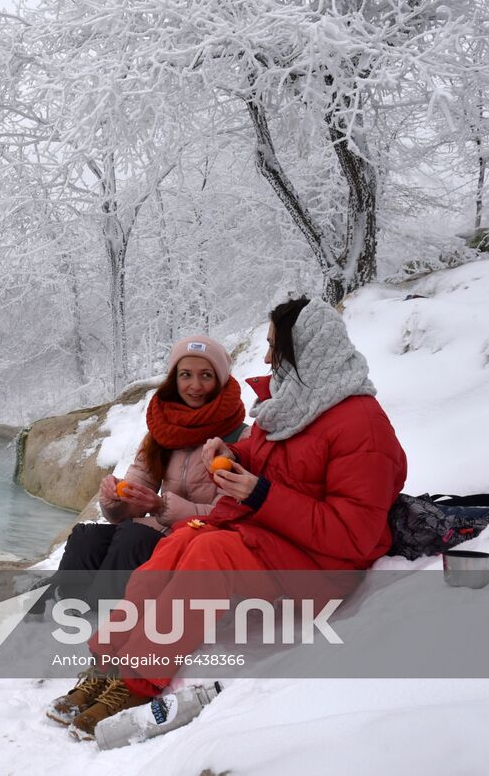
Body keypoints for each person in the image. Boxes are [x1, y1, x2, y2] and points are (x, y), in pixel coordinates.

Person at [65, 297, 408, 742]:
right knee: (179, 540)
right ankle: (103, 663)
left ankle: (136, 682)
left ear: (305, 349)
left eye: (274, 347)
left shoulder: (362, 424)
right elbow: (269, 458)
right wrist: (233, 455)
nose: (266, 357)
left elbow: (354, 536)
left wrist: (261, 494)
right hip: (274, 539)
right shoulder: (294, 405)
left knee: (210, 550)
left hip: (325, 568)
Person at [45, 335, 246, 726]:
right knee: (87, 537)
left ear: (220, 381)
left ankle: (108, 631)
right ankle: (71, 612)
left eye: (206, 376)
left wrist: (162, 507)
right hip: (154, 527)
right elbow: (131, 495)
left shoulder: (238, 437)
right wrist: (116, 499)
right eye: (185, 375)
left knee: (133, 537)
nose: (194, 385)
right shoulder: (161, 432)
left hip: (193, 539)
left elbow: (231, 512)